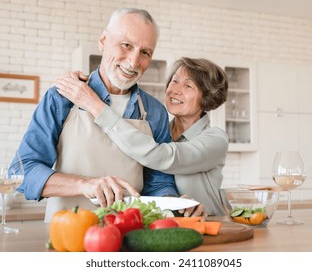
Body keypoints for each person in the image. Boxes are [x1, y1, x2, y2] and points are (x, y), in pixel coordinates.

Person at [16, 8, 180, 222]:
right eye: (126, 45)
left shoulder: (155, 111)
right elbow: (22, 172)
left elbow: (159, 182)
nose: (133, 62)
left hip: (132, 233)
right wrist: (85, 184)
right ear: (103, 40)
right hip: (68, 233)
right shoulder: (62, 98)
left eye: (145, 52)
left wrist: (176, 204)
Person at [56, 57, 229, 216]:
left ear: (207, 97)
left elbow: (160, 156)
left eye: (188, 86)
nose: (175, 90)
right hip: (167, 227)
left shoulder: (215, 139)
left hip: (208, 225)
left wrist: (95, 106)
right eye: (174, 81)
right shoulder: (160, 131)